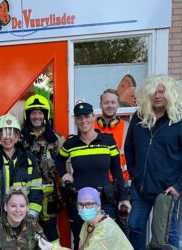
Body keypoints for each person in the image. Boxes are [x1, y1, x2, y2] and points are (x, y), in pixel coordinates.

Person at [125, 74, 182, 250]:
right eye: (153, 92)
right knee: (135, 226)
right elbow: (129, 147)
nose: (157, 96)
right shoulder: (139, 117)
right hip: (141, 189)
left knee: (166, 234)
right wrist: (134, 173)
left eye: (162, 91)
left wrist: (179, 186)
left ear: (171, 94)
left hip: (166, 191)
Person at [56, 102, 130, 249]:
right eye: (79, 118)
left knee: (107, 241)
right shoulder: (71, 143)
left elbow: (116, 171)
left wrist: (123, 198)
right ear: (75, 120)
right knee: (81, 241)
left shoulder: (108, 141)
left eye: (87, 116)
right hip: (80, 204)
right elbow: (58, 160)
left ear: (94, 117)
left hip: (104, 202)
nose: (84, 121)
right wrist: (64, 174)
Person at [21, 94, 65, 244]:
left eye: (40, 113)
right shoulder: (19, 138)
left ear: (45, 115)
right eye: (33, 113)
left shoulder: (56, 138)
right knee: (25, 231)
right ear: (28, 115)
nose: (37, 116)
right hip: (24, 195)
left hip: (49, 197)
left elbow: (66, 164)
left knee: (51, 231)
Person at [38, 187, 133, 250]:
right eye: (80, 204)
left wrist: (52, 248)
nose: (84, 208)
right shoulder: (89, 223)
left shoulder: (106, 230)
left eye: (89, 204)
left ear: (98, 206)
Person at [93, 89, 130, 235]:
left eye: (113, 102)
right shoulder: (92, 128)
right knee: (100, 226)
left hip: (122, 185)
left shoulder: (126, 127)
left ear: (118, 105)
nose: (109, 105)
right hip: (99, 185)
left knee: (123, 224)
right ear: (101, 104)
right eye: (106, 102)